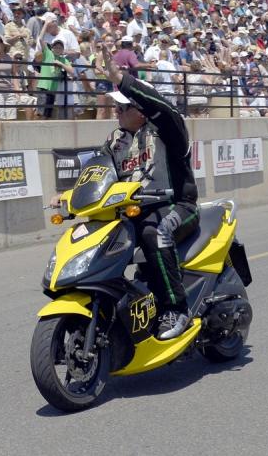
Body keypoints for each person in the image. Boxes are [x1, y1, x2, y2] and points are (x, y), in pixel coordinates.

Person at [85, 44, 199, 340]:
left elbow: (161, 106)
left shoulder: (168, 129)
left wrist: (121, 78)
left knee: (155, 234)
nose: (117, 111)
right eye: (117, 106)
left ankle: (177, 308)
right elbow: (97, 171)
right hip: (135, 210)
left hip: (177, 206)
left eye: (123, 106)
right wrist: (66, 195)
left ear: (142, 110)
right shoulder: (116, 140)